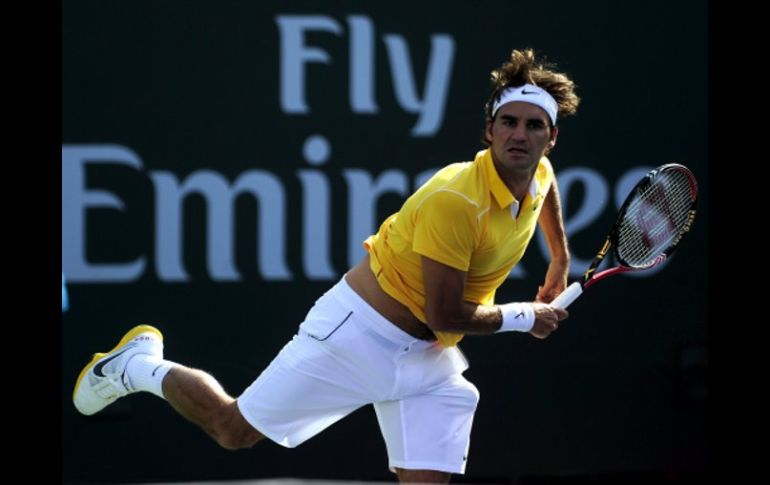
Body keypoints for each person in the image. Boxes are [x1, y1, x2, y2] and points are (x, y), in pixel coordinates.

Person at [73, 48, 579, 484]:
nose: (519, 136)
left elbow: (545, 188)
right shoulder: (456, 201)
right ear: (489, 130)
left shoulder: (536, 171)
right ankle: (136, 366)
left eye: (534, 127)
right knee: (232, 429)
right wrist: (525, 317)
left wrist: (559, 256)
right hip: (358, 334)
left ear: (549, 139)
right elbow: (447, 313)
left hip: (427, 359)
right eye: (508, 123)